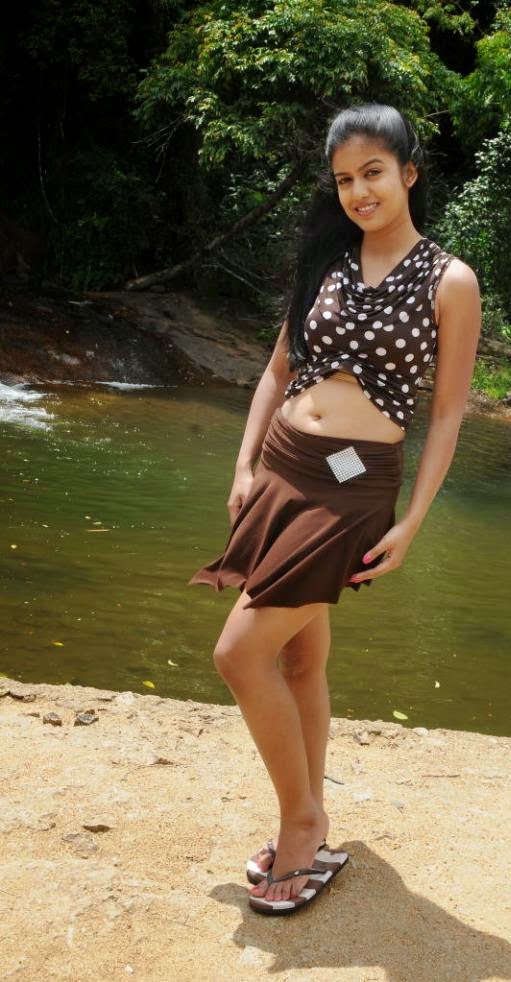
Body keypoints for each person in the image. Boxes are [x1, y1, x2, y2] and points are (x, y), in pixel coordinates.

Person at [188, 102, 481, 915]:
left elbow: (447, 412)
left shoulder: (449, 280)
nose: (359, 191)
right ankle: (309, 817)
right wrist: (244, 462)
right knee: (296, 659)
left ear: (409, 172)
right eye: (345, 179)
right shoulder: (327, 259)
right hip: (283, 465)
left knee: (237, 654)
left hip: (353, 489)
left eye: (373, 172)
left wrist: (411, 521)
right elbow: (276, 371)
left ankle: (300, 821)